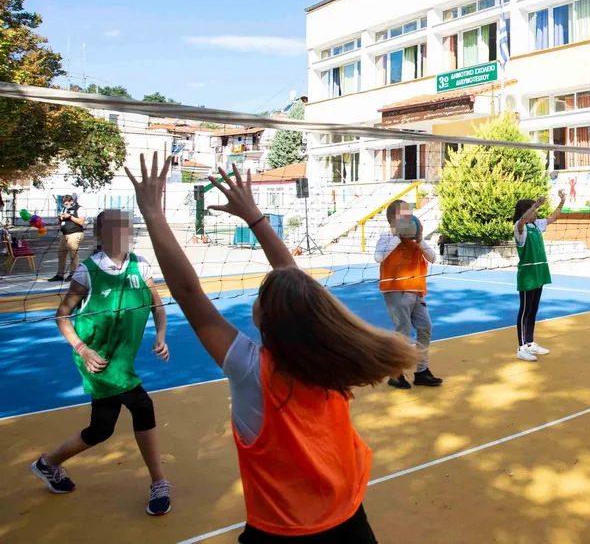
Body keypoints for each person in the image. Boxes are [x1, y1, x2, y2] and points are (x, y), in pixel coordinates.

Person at [127, 155, 417, 543]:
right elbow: (295, 284)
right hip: (349, 520)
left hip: (283, 532)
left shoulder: (253, 370)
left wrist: (152, 214)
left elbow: (188, 292)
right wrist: (255, 218)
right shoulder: (329, 357)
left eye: (260, 297)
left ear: (265, 319)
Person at [30, 209, 172, 516]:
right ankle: (159, 482)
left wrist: (161, 335)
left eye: (127, 228)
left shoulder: (140, 265)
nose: (124, 234)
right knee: (142, 405)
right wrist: (82, 349)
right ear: (101, 235)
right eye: (116, 229)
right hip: (97, 358)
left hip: (123, 357)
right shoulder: (88, 271)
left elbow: (157, 306)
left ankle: (48, 463)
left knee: (101, 428)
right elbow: (62, 315)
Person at [374, 199, 442, 389]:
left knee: (425, 327)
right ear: (393, 219)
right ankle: (395, 374)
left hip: (416, 290)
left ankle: (422, 371)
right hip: (396, 290)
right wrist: (397, 236)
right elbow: (378, 257)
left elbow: (433, 258)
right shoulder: (386, 236)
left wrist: (420, 241)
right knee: (402, 331)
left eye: (409, 212)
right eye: (404, 213)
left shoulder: (415, 239)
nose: (409, 215)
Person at [513, 190, 566, 362]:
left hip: (539, 271)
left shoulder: (536, 225)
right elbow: (521, 221)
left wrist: (562, 202)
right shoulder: (520, 228)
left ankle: (530, 342)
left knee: (534, 309)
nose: (536, 213)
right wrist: (536, 204)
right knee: (525, 310)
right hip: (528, 273)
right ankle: (521, 347)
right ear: (526, 212)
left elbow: (553, 218)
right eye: (533, 211)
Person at [49, 194, 85, 282]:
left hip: (75, 233)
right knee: (61, 254)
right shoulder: (65, 209)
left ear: (71, 201)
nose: (65, 205)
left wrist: (70, 217)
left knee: (73, 254)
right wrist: (60, 218)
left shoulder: (79, 209)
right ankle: (60, 274)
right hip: (64, 234)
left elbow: (81, 222)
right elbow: (62, 221)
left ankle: (74, 274)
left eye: (66, 204)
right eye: (64, 204)